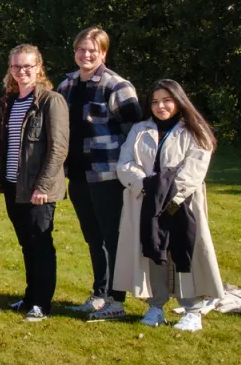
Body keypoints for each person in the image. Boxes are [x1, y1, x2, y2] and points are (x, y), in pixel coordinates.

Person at [115, 80, 223, 332]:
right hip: (146, 202)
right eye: (154, 101)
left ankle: (192, 309)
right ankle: (156, 305)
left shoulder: (195, 131)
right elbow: (125, 163)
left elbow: (194, 169)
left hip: (182, 204)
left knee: (184, 252)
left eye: (166, 100)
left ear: (178, 100)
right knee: (153, 251)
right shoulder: (140, 129)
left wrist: (170, 195)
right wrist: (146, 186)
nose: (160, 106)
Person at [55, 27, 144, 320]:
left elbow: (134, 134)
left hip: (107, 175)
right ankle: (99, 294)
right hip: (77, 174)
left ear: (103, 53)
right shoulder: (66, 85)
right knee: (93, 237)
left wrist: (130, 171)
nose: (86, 54)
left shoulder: (117, 86)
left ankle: (116, 301)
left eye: (93, 50)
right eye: (81, 49)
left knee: (111, 237)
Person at [0, 45, 69, 322]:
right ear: (10, 69)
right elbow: (2, 144)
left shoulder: (51, 101)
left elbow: (58, 149)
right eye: (16, 67)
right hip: (13, 186)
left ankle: (42, 304)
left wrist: (43, 187)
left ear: (38, 68)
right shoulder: (9, 101)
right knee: (26, 244)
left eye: (27, 67)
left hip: (38, 190)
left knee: (41, 244)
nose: (21, 72)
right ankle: (30, 297)